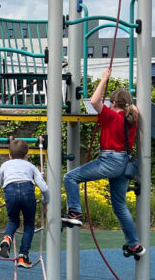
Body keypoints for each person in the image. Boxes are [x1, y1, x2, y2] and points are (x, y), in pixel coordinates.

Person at [62, 67, 146, 259]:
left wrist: (104, 79)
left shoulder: (112, 116)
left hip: (110, 160)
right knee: (119, 206)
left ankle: (75, 213)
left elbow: (93, 101)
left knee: (70, 177)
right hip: (125, 163)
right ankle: (134, 245)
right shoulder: (132, 117)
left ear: (113, 103)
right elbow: (132, 107)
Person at [0, 137, 50, 269]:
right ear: (27, 154)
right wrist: (45, 201)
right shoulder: (31, 166)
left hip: (10, 191)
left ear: (9, 155)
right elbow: (44, 187)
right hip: (27, 191)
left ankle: (7, 239)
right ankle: (23, 256)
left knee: (13, 221)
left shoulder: (5, 165)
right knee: (29, 223)